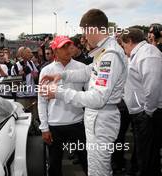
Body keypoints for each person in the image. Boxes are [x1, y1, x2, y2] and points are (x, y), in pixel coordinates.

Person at [40, 9, 127, 176]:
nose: (85, 37)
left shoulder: (110, 55)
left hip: (102, 117)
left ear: (92, 29)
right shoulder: (103, 52)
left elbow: (97, 98)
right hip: (99, 118)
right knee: (96, 167)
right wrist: (63, 74)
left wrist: (59, 93)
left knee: (98, 170)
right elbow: (88, 72)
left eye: (85, 32)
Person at [38, 35, 87, 176]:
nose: (67, 50)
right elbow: (42, 101)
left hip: (78, 123)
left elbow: (91, 96)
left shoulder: (82, 68)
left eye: (69, 46)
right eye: (63, 47)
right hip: (55, 126)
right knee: (54, 165)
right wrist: (44, 127)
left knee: (87, 160)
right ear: (54, 50)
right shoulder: (46, 71)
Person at [120, 28, 162, 176]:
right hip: (141, 113)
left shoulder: (148, 54)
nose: (124, 50)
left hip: (148, 114)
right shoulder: (138, 54)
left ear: (130, 41)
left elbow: (153, 86)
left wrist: (147, 112)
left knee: (148, 155)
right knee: (144, 152)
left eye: (124, 45)